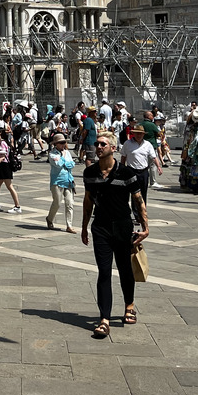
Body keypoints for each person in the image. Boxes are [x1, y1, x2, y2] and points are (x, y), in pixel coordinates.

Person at [81, 133, 149, 339]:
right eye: (97, 144)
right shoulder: (90, 173)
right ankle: (104, 319)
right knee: (103, 272)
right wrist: (84, 227)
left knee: (124, 268)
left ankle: (129, 305)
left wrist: (145, 227)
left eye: (103, 144)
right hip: (100, 226)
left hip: (122, 226)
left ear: (113, 148)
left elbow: (138, 201)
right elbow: (88, 200)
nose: (99, 146)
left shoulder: (126, 173)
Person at [119, 124, 162, 207]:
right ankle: (136, 213)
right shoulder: (127, 143)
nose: (138, 135)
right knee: (134, 192)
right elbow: (123, 157)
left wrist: (159, 166)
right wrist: (122, 168)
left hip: (143, 171)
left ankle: (142, 210)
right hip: (131, 170)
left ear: (143, 134)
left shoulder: (147, 144)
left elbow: (153, 157)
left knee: (143, 192)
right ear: (134, 134)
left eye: (140, 134)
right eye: (137, 133)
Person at [46, 131, 77, 232]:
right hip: (57, 181)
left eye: (64, 142)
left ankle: (69, 225)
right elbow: (58, 164)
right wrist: (64, 159)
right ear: (55, 144)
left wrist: (65, 161)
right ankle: (49, 219)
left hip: (68, 180)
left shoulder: (67, 152)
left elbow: (71, 164)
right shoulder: (51, 154)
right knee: (57, 203)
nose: (63, 144)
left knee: (70, 203)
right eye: (61, 143)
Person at [0, 128, 21, 213]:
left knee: (9, 186)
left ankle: (17, 206)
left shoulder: (3, 143)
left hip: (5, 166)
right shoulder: (0, 143)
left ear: (0, 133)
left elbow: (2, 157)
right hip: (2, 166)